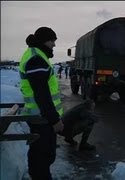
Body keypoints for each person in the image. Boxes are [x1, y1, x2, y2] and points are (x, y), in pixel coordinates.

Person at [19, 26, 64, 180]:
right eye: (52, 41)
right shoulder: (36, 59)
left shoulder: (37, 55)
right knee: (42, 156)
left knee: (41, 155)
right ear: (44, 41)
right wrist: (55, 120)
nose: (54, 44)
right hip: (41, 118)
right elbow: (41, 94)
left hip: (40, 116)